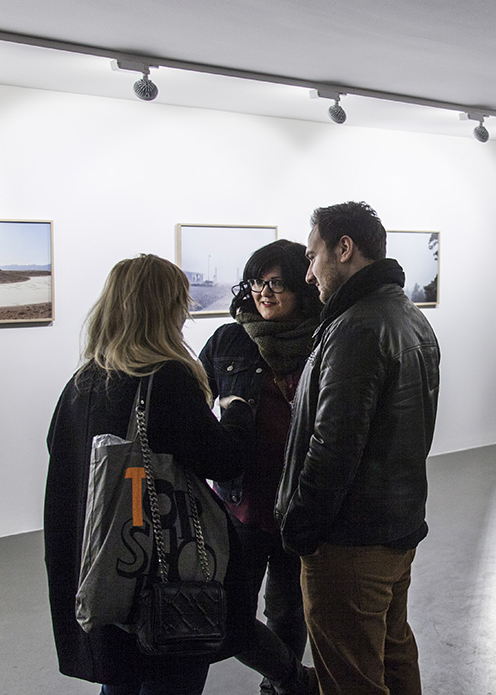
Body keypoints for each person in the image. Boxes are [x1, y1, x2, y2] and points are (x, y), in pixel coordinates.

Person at [43, 254, 314, 695]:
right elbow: (223, 460)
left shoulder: (84, 380)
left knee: (122, 673)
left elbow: (61, 453)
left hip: (105, 560)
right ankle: (294, 679)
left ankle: (290, 677)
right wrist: (237, 411)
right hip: (161, 563)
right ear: (162, 308)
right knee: (172, 667)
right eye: (179, 303)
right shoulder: (165, 378)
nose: (186, 313)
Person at [276, 201, 440, 695]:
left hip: (349, 541)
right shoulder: (407, 316)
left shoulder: (357, 327)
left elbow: (333, 446)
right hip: (395, 527)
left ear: (344, 248)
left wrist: (301, 527)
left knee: (351, 678)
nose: (308, 274)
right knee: (393, 653)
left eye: (313, 256)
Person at [198, 240, 322, 695]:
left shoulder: (322, 342)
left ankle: (279, 687)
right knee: (229, 614)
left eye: (277, 284)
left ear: (301, 289)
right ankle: (293, 678)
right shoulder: (229, 340)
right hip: (241, 505)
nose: (264, 293)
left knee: (288, 612)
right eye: (257, 282)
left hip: (298, 507)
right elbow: (192, 407)